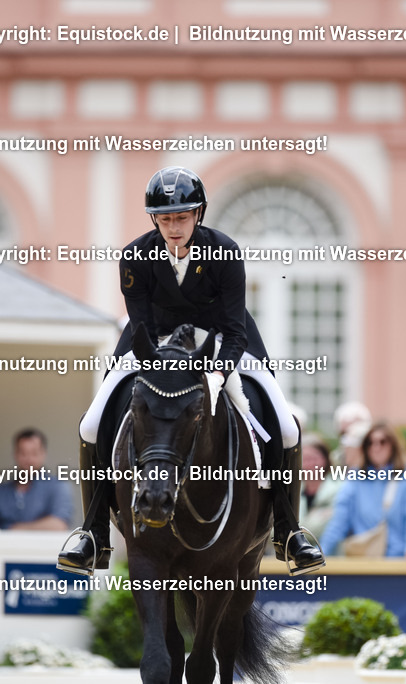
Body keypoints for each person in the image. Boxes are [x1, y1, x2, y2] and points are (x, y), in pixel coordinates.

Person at [58, 167, 324, 575]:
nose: (174, 227)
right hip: (154, 344)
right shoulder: (135, 256)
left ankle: (289, 532)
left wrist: (217, 373)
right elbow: (143, 327)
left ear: (198, 214)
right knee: (92, 424)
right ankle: (93, 533)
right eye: (165, 219)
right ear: (154, 220)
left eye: (181, 217)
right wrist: (160, 367)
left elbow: (235, 329)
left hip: (223, 342)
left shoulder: (225, 251)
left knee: (286, 427)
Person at [319, 421, 406, 559]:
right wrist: (321, 553)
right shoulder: (355, 478)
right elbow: (339, 520)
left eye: (382, 442)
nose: (376, 447)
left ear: (393, 445)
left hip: (399, 562)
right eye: (370, 442)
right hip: (363, 560)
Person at [0, 429, 74, 531]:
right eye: (23, 453)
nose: (28, 459)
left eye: (34, 453)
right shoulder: (0, 491)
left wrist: (16, 529)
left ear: (43, 454)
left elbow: (59, 525)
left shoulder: (58, 486)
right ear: (15, 454)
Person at [297, 434, 341, 542]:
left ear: (326, 459)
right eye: (305, 459)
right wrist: (319, 517)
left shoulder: (339, 489)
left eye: (314, 458)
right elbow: (272, 532)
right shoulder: (289, 491)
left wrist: (294, 529)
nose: (310, 464)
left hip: (331, 555)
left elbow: (334, 527)